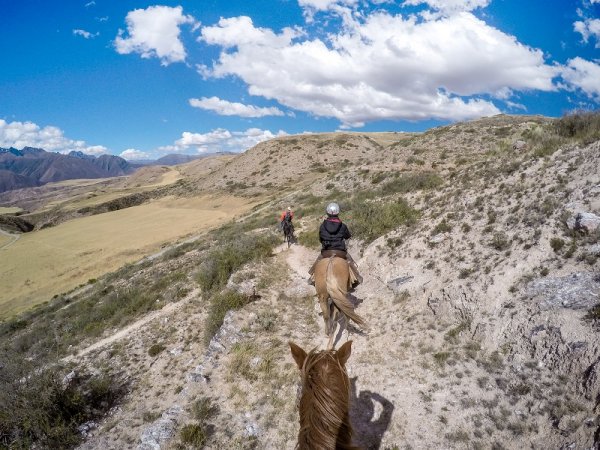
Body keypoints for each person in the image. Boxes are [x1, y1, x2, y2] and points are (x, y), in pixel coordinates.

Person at [308, 202, 362, 288]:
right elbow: (347, 237)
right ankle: (357, 278)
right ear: (338, 212)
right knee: (349, 260)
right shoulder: (343, 226)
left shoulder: (322, 226)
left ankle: (312, 277)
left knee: (319, 260)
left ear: (327, 213)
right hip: (340, 251)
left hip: (326, 252)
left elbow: (321, 239)